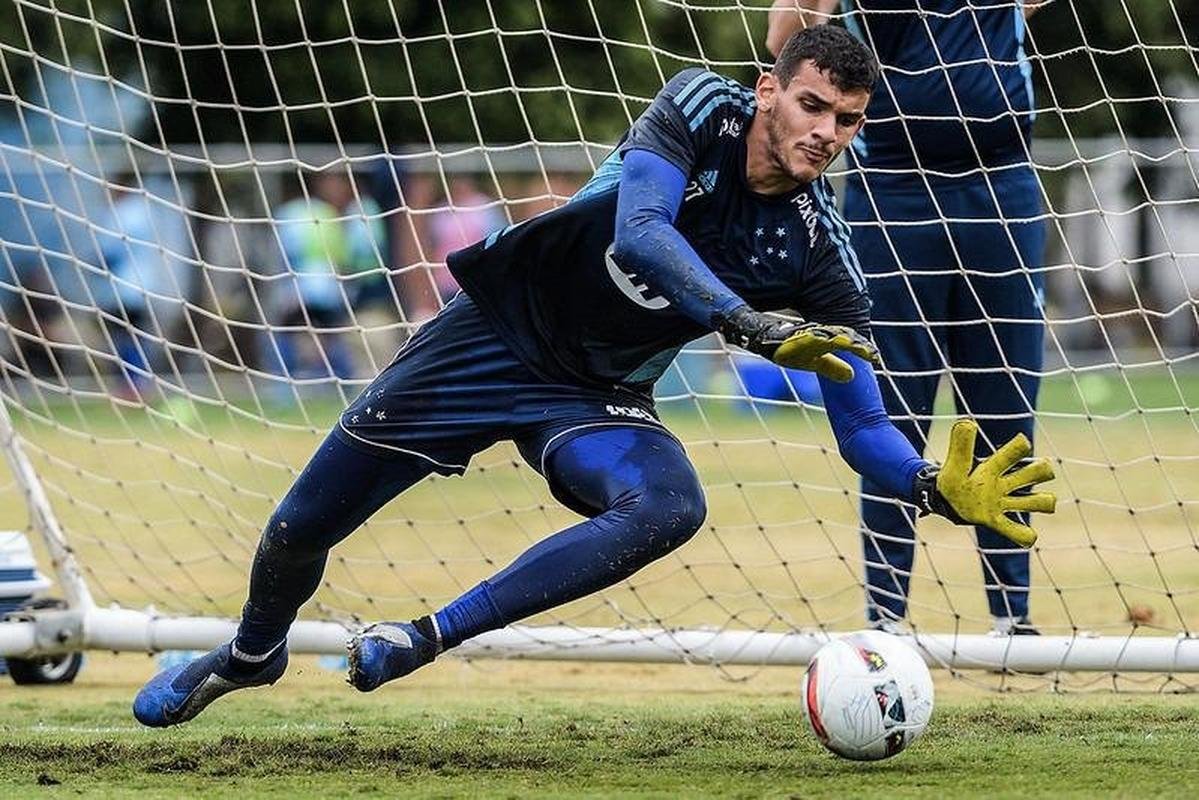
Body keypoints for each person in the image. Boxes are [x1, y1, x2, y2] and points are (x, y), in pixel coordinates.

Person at [132, 25, 1055, 727]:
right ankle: (253, 654)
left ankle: (425, 636)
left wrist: (930, 484)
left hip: (593, 396)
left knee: (669, 506)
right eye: (811, 105)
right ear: (771, 89)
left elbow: (860, 430)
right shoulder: (701, 106)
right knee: (300, 529)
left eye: (846, 121)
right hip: (488, 336)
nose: (825, 132)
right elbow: (640, 232)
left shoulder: (822, 255)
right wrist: (744, 323)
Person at [768, 1, 1047, 634]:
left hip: (1002, 186)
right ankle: (887, 620)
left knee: (1004, 407)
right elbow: (783, 44)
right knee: (892, 409)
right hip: (892, 190)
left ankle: (1014, 619)